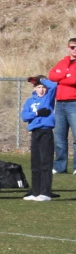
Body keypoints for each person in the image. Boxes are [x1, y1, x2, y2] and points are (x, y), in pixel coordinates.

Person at [21, 76, 57, 201]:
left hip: (46, 132)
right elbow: (24, 116)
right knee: (35, 163)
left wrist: (41, 79)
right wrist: (36, 114)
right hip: (34, 132)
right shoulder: (30, 101)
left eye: (43, 87)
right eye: (38, 87)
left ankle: (46, 193)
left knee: (45, 162)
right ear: (34, 88)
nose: (41, 90)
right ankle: (36, 192)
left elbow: (54, 86)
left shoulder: (48, 98)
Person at [47, 38, 76, 175]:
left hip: (74, 103)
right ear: (68, 47)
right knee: (59, 137)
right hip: (60, 104)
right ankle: (60, 167)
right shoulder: (63, 62)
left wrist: (61, 77)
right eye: (72, 47)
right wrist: (66, 74)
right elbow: (52, 75)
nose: (74, 49)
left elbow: (74, 79)